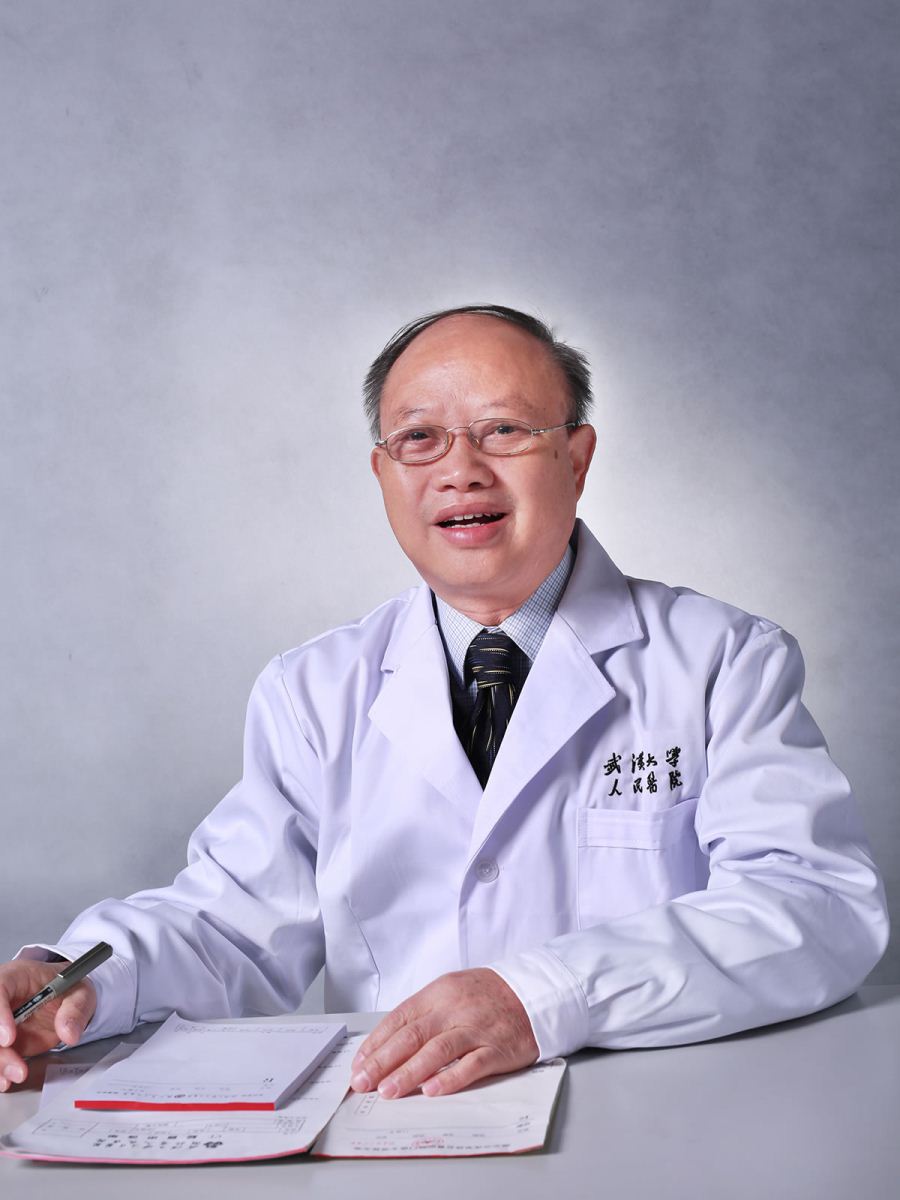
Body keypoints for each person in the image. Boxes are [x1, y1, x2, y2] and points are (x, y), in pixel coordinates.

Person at [0, 305, 889, 1101]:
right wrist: (75, 978)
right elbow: (229, 927)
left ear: (577, 458)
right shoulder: (315, 690)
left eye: (503, 430)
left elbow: (816, 908)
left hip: (661, 1119)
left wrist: (540, 997)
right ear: (383, 473)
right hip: (401, 1123)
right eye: (419, 439)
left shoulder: (722, 659)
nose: (460, 471)